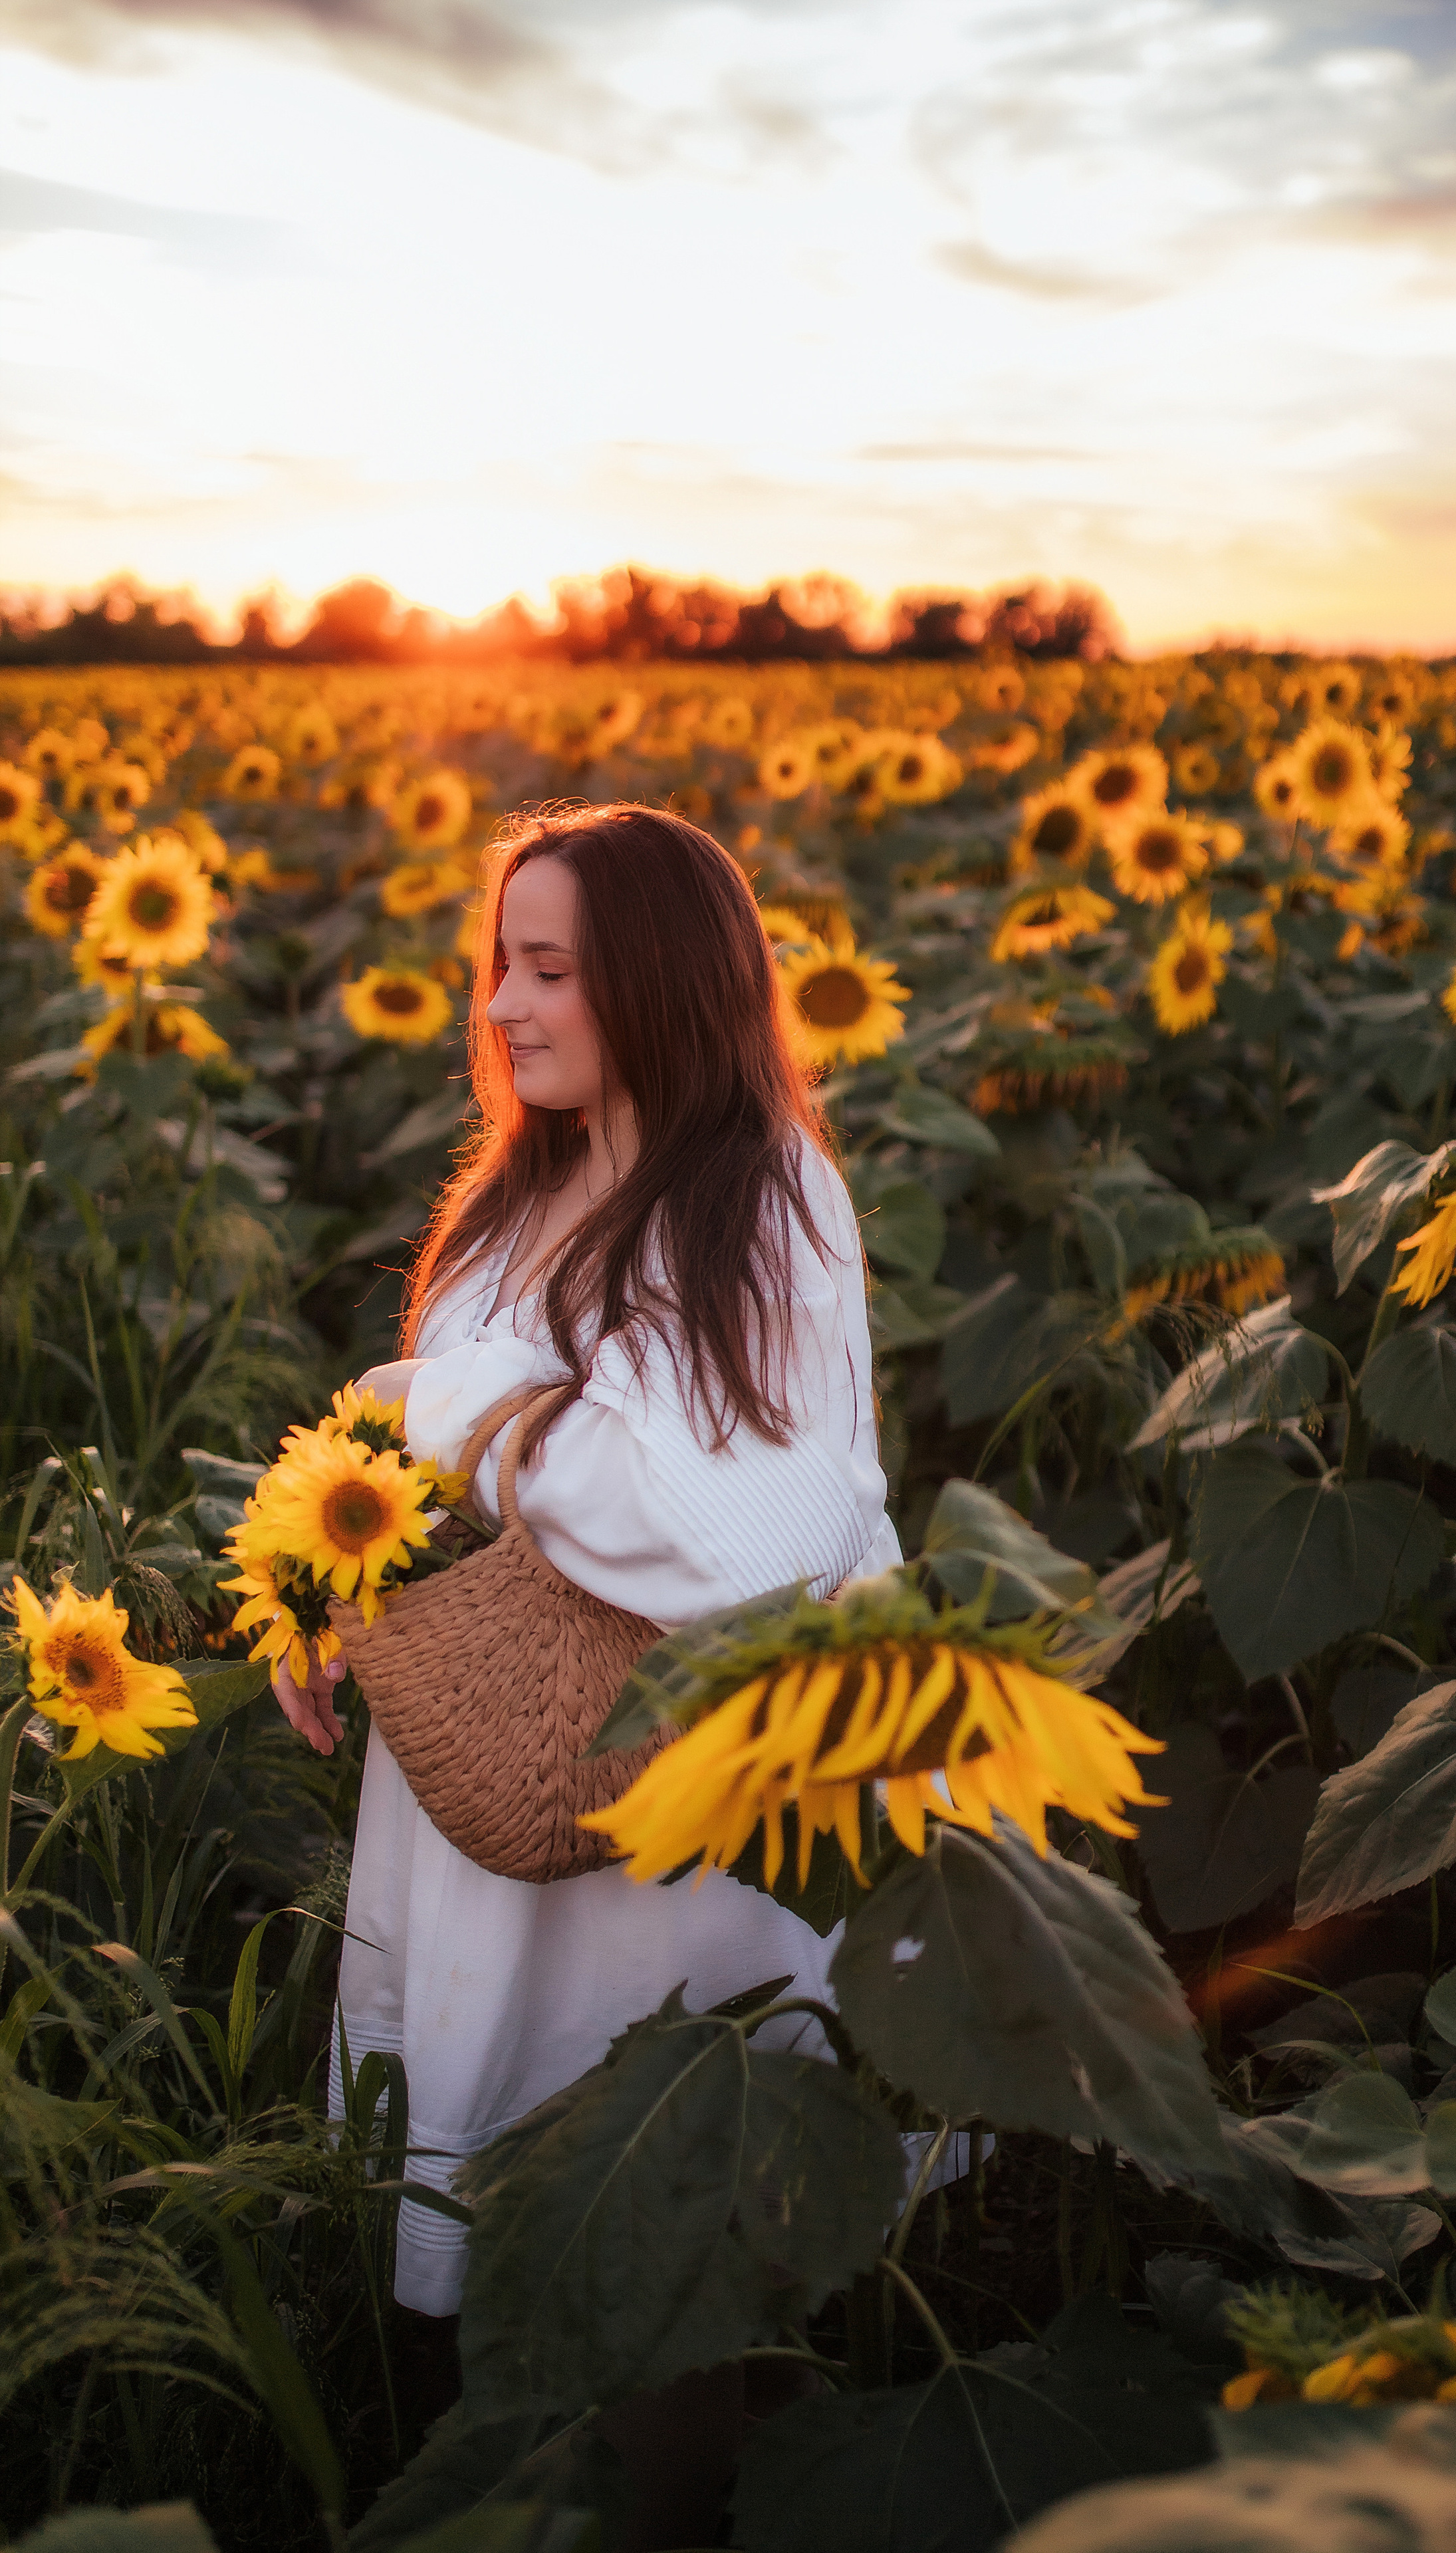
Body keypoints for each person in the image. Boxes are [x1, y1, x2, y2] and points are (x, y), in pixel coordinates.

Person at [270, 804, 902, 2526]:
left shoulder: (766, 1203)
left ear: (659, 981)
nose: (501, 1007)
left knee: (659, 2240)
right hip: (505, 1765)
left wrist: (440, 1403)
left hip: (667, 1814)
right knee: (519, 2243)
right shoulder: (518, 1191)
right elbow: (447, 1483)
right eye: (502, 966)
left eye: (547, 971)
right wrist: (322, 1584)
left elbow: (723, 1534)